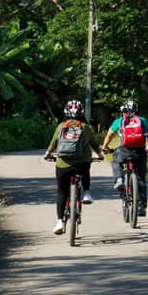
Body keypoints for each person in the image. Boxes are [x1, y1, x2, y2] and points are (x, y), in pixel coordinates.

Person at [44, 99, 104, 234]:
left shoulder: (61, 126)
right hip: (81, 165)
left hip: (62, 165)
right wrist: (100, 155)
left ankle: (60, 221)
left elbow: (53, 143)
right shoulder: (86, 127)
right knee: (86, 167)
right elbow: (94, 144)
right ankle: (87, 193)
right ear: (82, 113)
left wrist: (48, 154)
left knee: (61, 192)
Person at [101, 100, 148, 217]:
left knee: (115, 159)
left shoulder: (119, 121)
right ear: (135, 110)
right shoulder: (142, 121)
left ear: (122, 111)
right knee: (141, 178)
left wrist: (105, 147)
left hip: (124, 151)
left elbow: (109, 135)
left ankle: (119, 179)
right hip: (140, 152)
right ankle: (141, 206)